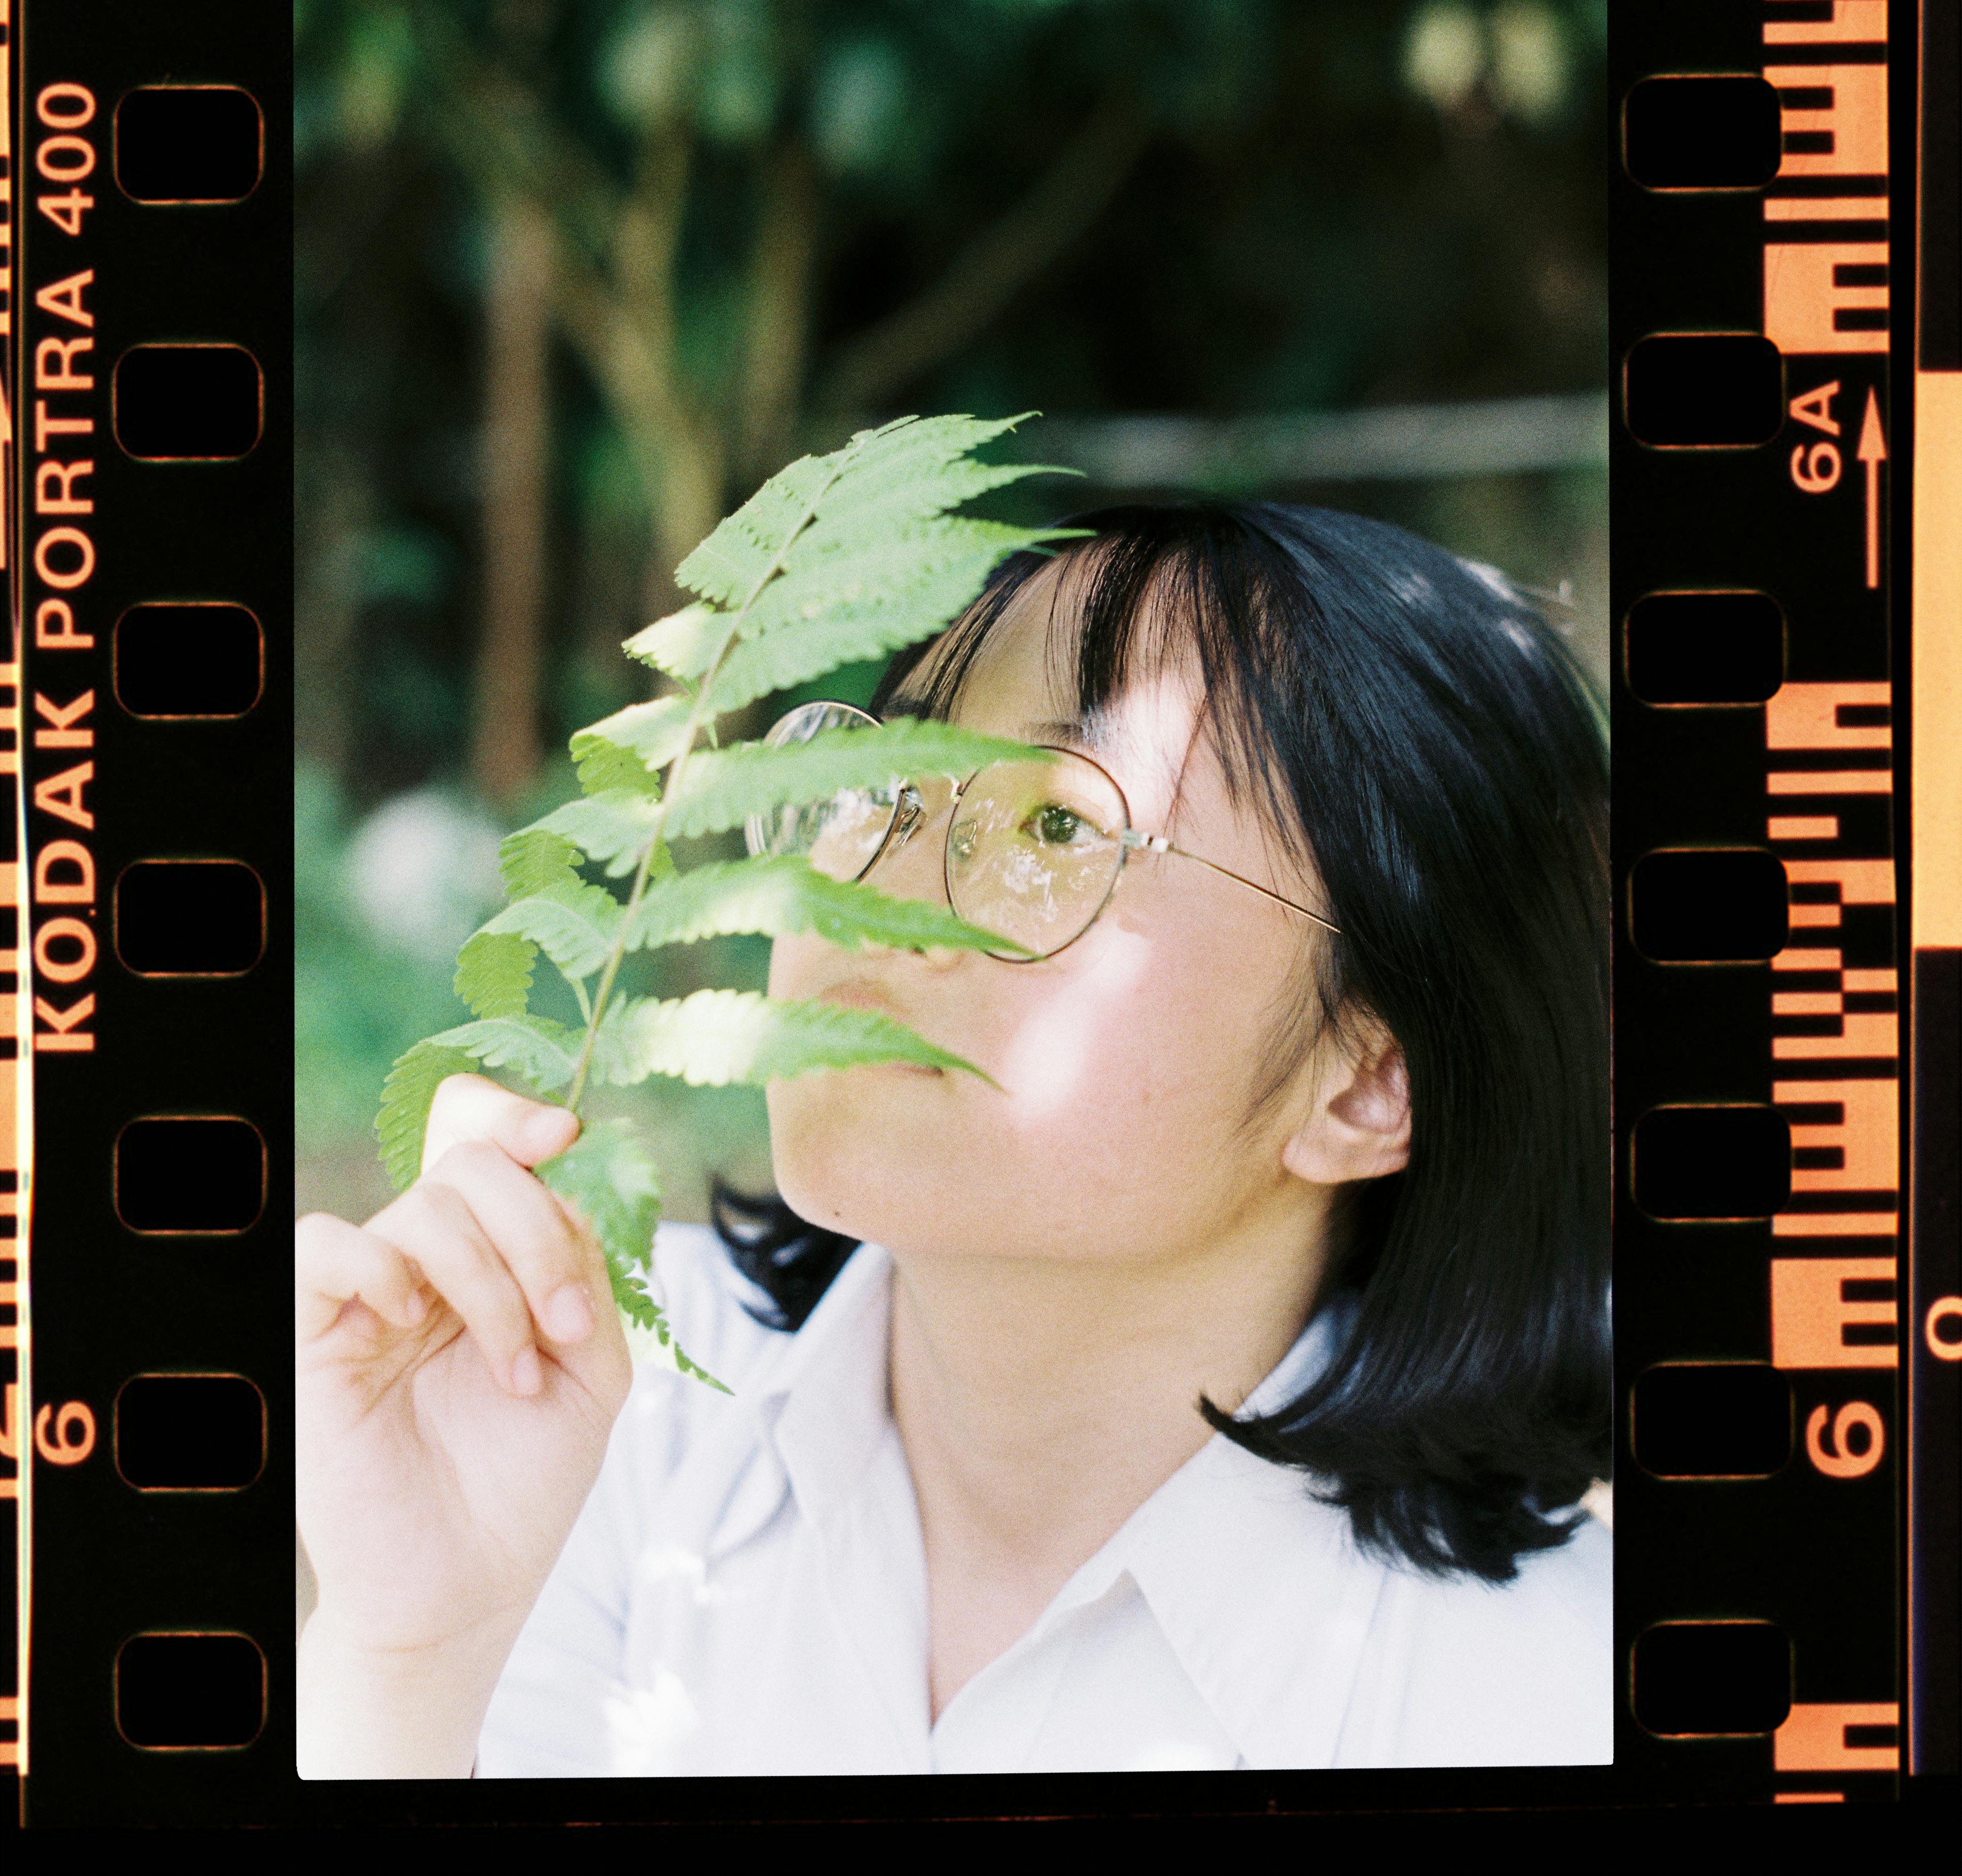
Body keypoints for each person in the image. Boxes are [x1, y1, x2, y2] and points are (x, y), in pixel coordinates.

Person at [296, 500, 1612, 1778]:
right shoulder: (592, 1404)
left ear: (1368, 1084)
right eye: (878, 785)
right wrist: (407, 1652)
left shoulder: (1541, 1702)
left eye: (1057, 823)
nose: (871, 887)